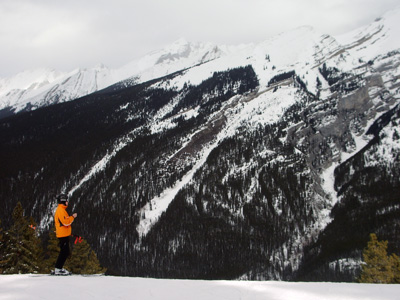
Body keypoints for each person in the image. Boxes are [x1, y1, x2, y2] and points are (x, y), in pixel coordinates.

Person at [53, 193, 77, 275]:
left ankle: (58, 268)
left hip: (64, 234)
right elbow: (65, 222)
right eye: (66, 200)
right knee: (64, 252)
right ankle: (58, 268)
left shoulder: (61, 210)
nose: (67, 202)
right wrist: (73, 217)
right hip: (63, 234)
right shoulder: (60, 210)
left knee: (65, 251)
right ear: (63, 201)